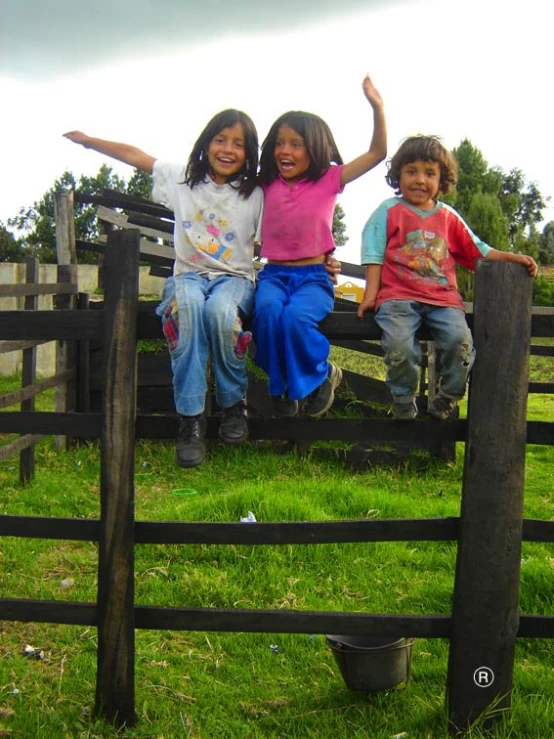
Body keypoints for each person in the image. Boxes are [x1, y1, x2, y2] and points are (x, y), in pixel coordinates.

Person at [64, 111, 263, 468]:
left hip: (234, 280)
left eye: (239, 143)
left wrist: (325, 260)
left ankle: (233, 405)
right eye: (221, 140)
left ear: (249, 152)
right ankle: (190, 421)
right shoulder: (183, 180)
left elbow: (290, 224)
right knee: (186, 311)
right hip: (188, 275)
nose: (228, 150)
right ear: (206, 143)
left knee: (219, 314)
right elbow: (136, 156)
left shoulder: (256, 194)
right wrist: (90, 141)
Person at [357, 135, 538, 421]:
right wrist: (371, 295)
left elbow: (477, 250)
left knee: (461, 344)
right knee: (400, 347)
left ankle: (449, 395)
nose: (419, 179)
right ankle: (403, 399)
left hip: (443, 301)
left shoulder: (448, 217)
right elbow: (373, 253)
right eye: (411, 171)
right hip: (398, 298)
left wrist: (512, 258)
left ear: (442, 181)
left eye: (430, 173)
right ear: (398, 175)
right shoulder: (388, 211)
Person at [252, 75, 387, 419]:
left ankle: (325, 374)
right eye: (280, 143)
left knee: (296, 320)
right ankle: (280, 384)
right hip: (273, 275)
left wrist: (377, 107)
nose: (285, 151)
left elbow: (377, 153)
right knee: (266, 316)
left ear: (314, 148)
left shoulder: (329, 178)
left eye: (296, 144)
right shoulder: (265, 182)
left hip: (314, 278)